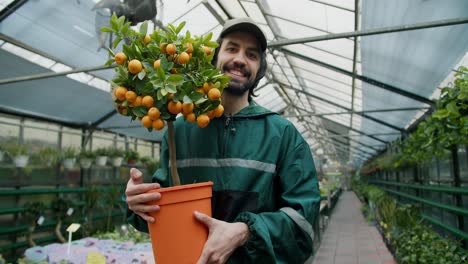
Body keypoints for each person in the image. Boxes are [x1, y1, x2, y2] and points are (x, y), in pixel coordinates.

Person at [125, 17, 320, 264]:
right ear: (215, 58)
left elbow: (303, 222)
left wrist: (245, 231)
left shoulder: (282, 134)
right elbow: (162, 213)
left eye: (251, 54)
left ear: (259, 69)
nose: (239, 59)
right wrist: (139, 203)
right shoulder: (181, 129)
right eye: (231, 48)